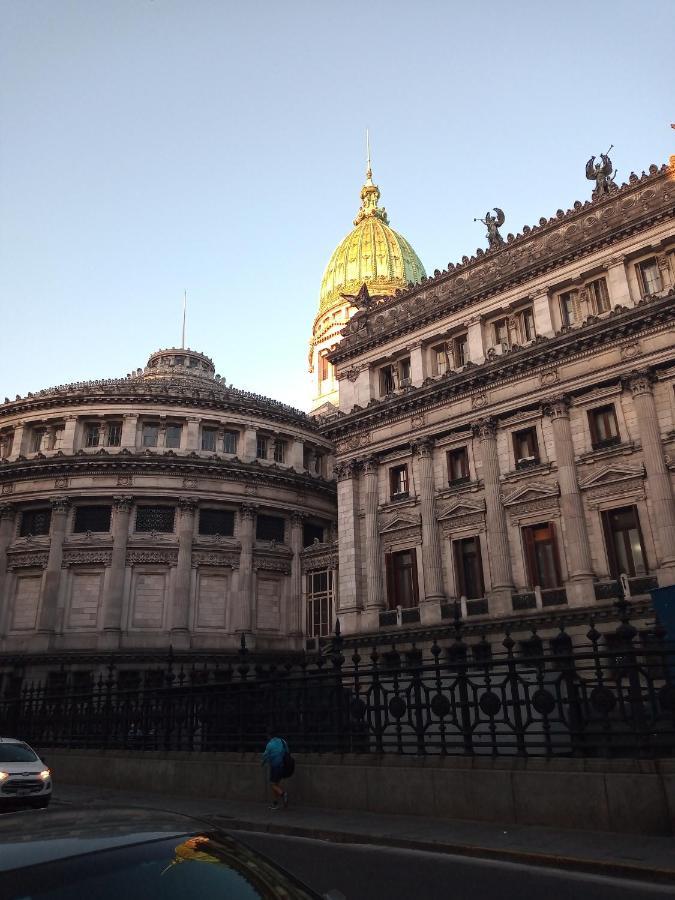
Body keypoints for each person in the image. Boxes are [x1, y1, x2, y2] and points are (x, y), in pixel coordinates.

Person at [261, 732, 289, 811]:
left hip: (275, 767)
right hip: (283, 766)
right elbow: (287, 751)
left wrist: (262, 764)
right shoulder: (283, 741)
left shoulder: (270, 744)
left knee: (272, 784)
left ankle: (283, 794)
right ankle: (275, 804)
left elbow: (265, 756)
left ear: (269, 736)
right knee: (276, 784)